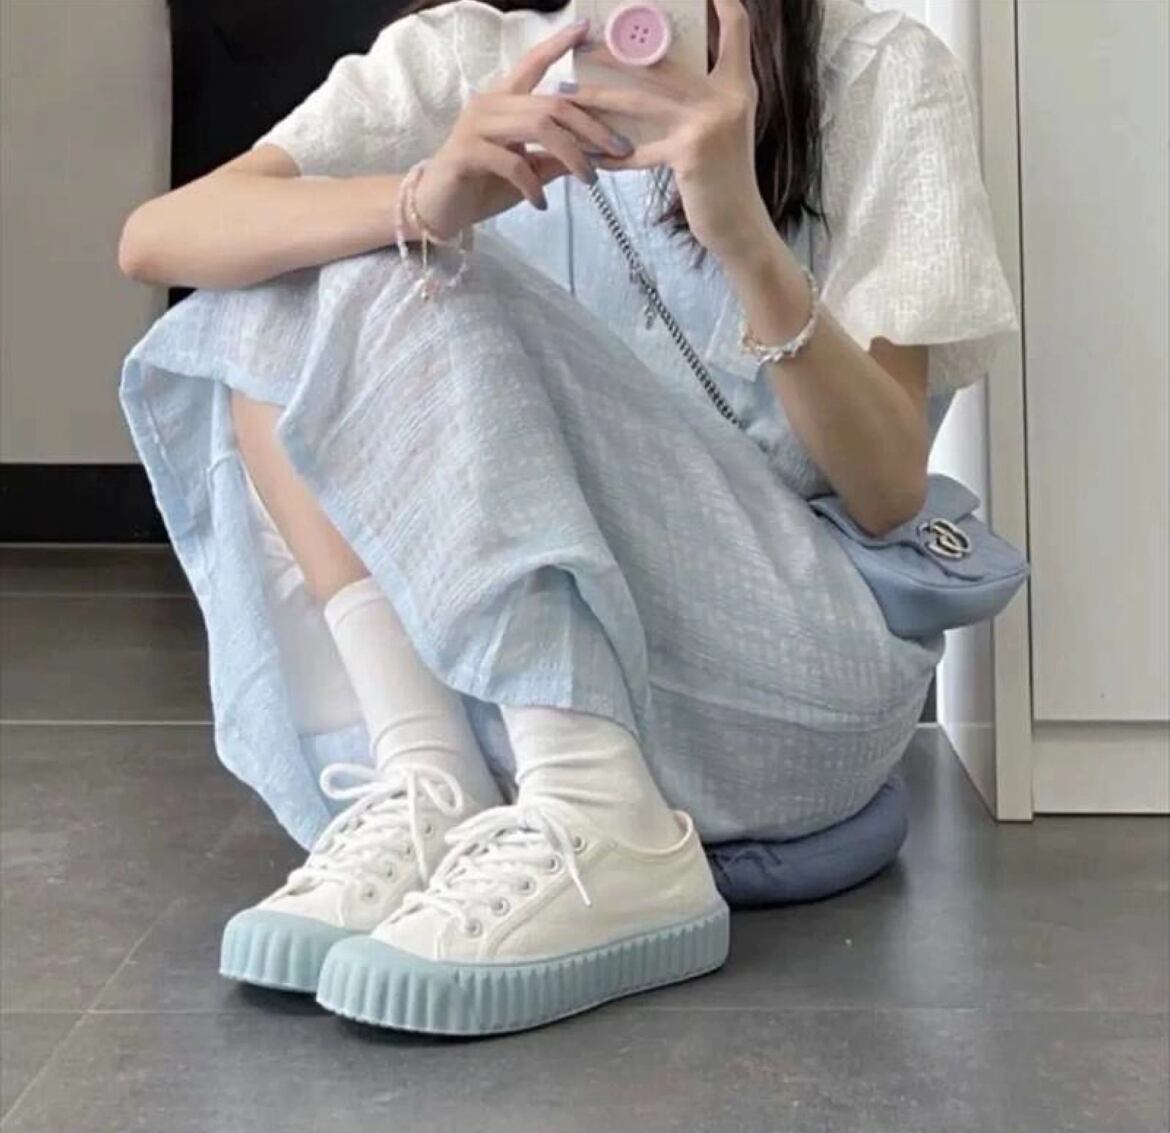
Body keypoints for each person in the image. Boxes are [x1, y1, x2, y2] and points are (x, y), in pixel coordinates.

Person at [117, 0, 1016, 1035]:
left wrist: (743, 235)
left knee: (395, 264)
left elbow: (890, 486)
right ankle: (433, 777)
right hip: (518, 704)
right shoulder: (465, 59)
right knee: (289, 264)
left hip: (786, 678)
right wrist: (426, 191)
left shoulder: (876, 71)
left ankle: (603, 810)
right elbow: (158, 239)